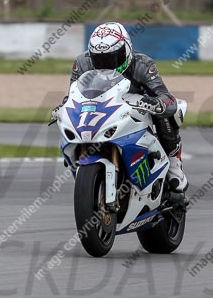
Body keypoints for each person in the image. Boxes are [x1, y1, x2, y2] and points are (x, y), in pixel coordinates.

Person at [54, 22, 188, 192]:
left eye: (112, 57)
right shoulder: (82, 63)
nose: (106, 64)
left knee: (171, 113)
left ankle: (173, 164)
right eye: (99, 59)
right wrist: (63, 107)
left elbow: (167, 98)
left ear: (127, 49)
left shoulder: (143, 64)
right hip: (102, 108)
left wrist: (157, 104)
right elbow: (73, 94)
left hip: (136, 108)